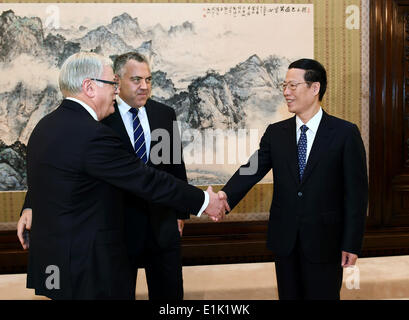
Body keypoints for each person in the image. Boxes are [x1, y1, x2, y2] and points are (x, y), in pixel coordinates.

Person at [16, 52, 227, 300]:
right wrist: (204, 202)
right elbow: (144, 179)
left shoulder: (45, 126)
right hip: (89, 262)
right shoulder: (92, 132)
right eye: (111, 84)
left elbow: (52, 178)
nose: (115, 91)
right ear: (90, 87)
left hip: (60, 260)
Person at [218, 58, 368, 300]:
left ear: (315, 87)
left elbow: (357, 194)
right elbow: (252, 168)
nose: (286, 92)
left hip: (325, 242)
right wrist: (226, 195)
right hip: (285, 240)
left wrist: (352, 242)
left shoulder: (345, 133)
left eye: (293, 86)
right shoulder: (276, 133)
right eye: (284, 86)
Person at [101, 52, 189, 300]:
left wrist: (180, 212)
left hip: (162, 225)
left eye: (149, 80)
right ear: (117, 81)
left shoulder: (164, 114)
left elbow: (174, 165)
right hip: (118, 227)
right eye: (137, 80)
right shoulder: (102, 119)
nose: (144, 86)